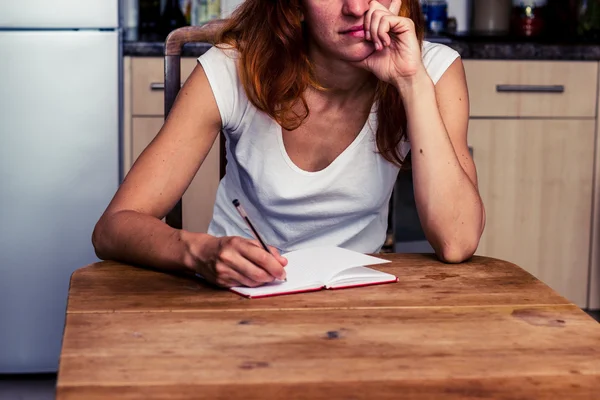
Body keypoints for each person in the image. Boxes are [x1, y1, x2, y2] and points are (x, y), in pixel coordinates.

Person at [92, 0, 485, 289]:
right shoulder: (233, 69)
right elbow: (113, 228)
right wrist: (201, 253)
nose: (357, 7)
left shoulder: (429, 69)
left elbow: (457, 240)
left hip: (355, 293)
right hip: (235, 295)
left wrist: (411, 83)